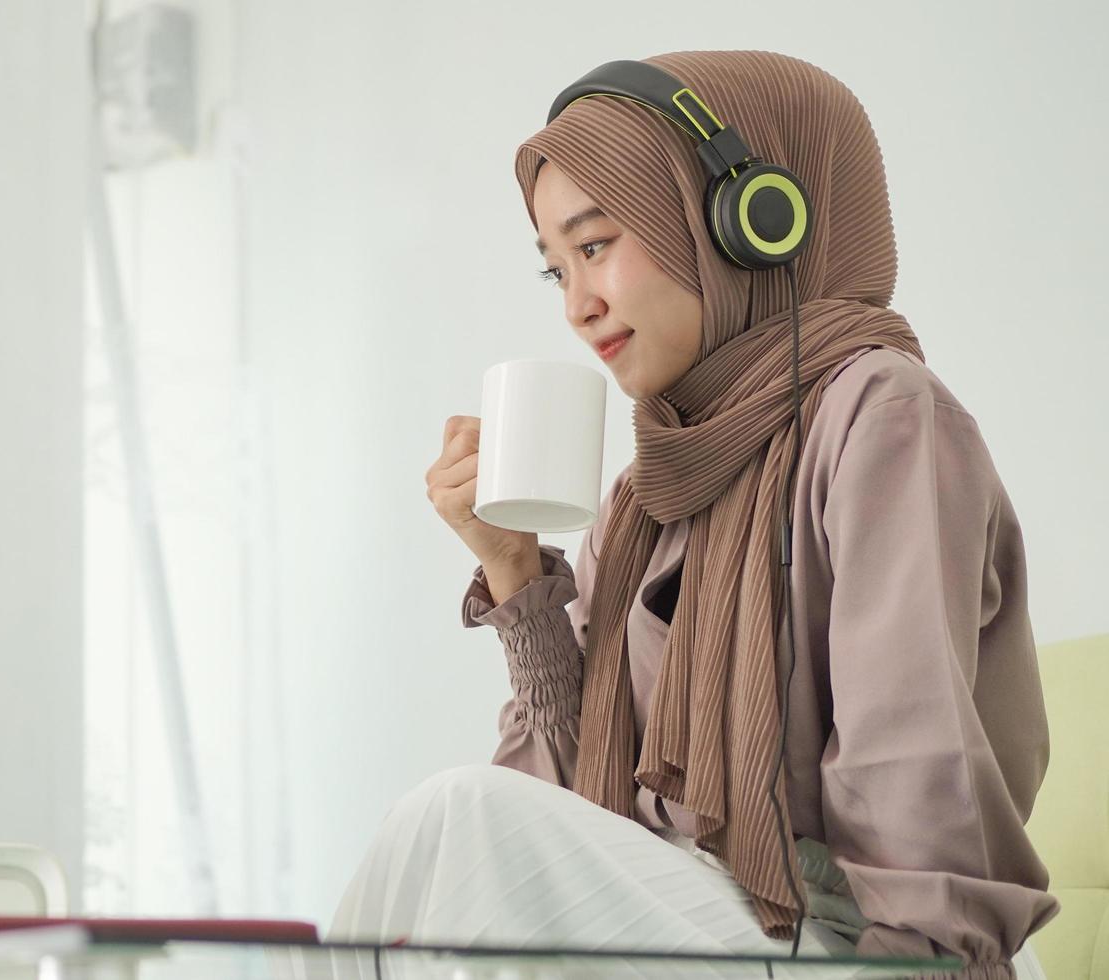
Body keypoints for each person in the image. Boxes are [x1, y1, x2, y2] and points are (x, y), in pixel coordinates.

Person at [330, 51, 1059, 980]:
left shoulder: (882, 414)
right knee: (461, 839)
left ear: (749, 224)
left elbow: (916, 770)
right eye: (555, 270)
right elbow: (571, 806)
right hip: (708, 917)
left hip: (890, 945)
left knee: (456, 818)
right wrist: (514, 569)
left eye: (595, 247)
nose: (578, 306)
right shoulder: (654, 488)